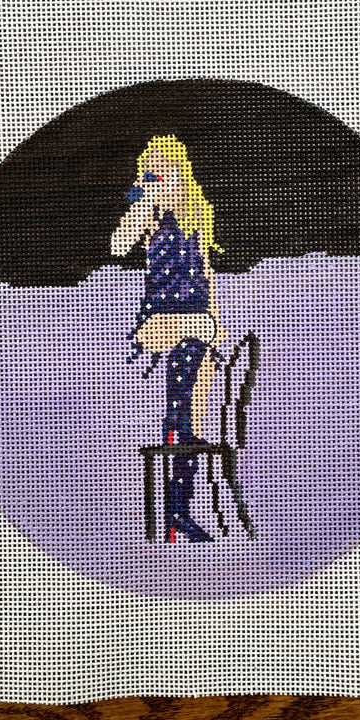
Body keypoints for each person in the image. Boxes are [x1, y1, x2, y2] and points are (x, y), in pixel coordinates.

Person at [111, 135, 228, 542]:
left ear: (183, 174)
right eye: (152, 172)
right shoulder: (150, 215)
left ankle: (179, 513)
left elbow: (207, 277)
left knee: (190, 413)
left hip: (196, 323)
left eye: (167, 172)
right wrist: (142, 197)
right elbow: (117, 245)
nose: (160, 179)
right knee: (192, 362)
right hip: (162, 319)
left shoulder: (197, 217)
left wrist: (215, 324)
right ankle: (177, 511)